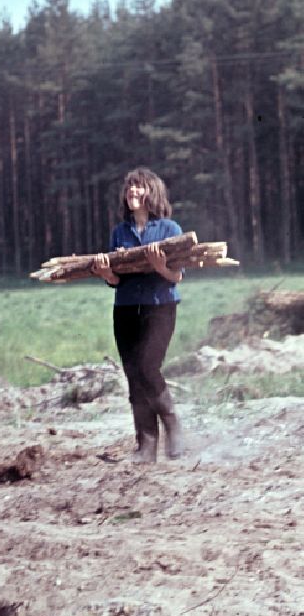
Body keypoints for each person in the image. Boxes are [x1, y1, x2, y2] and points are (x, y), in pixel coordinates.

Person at [93, 168, 185, 462]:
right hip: (125, 309)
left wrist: (160, 268)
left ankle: (172, 425)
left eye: (138, 187)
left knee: (148, 366)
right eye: (129, 187)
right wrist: (107, 273)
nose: (131, 191)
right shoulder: (120, 232)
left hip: (160, 307)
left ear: (152, 192)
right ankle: (146, 446)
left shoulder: (170, 229)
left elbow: (177, 277)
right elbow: (116, 280)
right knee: (134, 375)